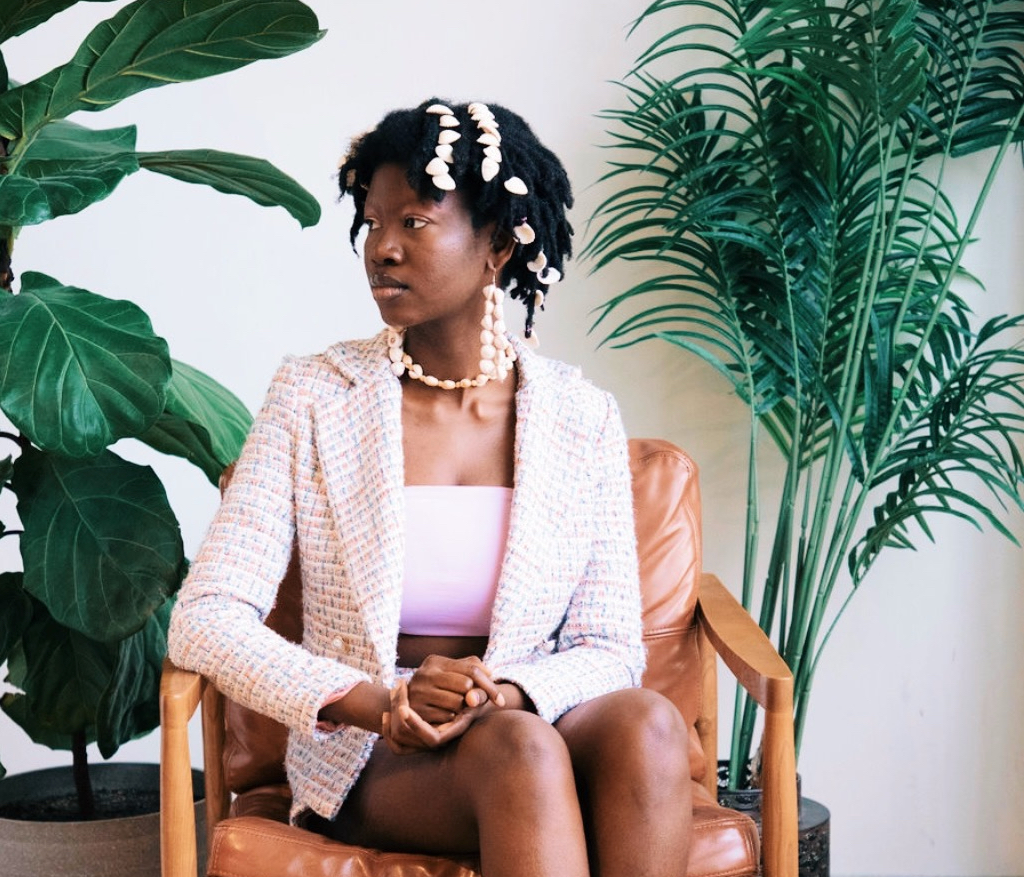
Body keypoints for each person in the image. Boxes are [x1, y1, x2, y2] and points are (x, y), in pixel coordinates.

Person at [167, 98, 693, 877]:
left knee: (647, 724)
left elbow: (609, 647)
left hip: (525, 716)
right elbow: (205, 620)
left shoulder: (580, 416)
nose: (381, 249)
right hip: (374, 751)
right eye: (372, 223)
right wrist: (375, 701)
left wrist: (506, 690)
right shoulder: (314, 397)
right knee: (519, 752)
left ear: (497, 244)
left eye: (412, 223)